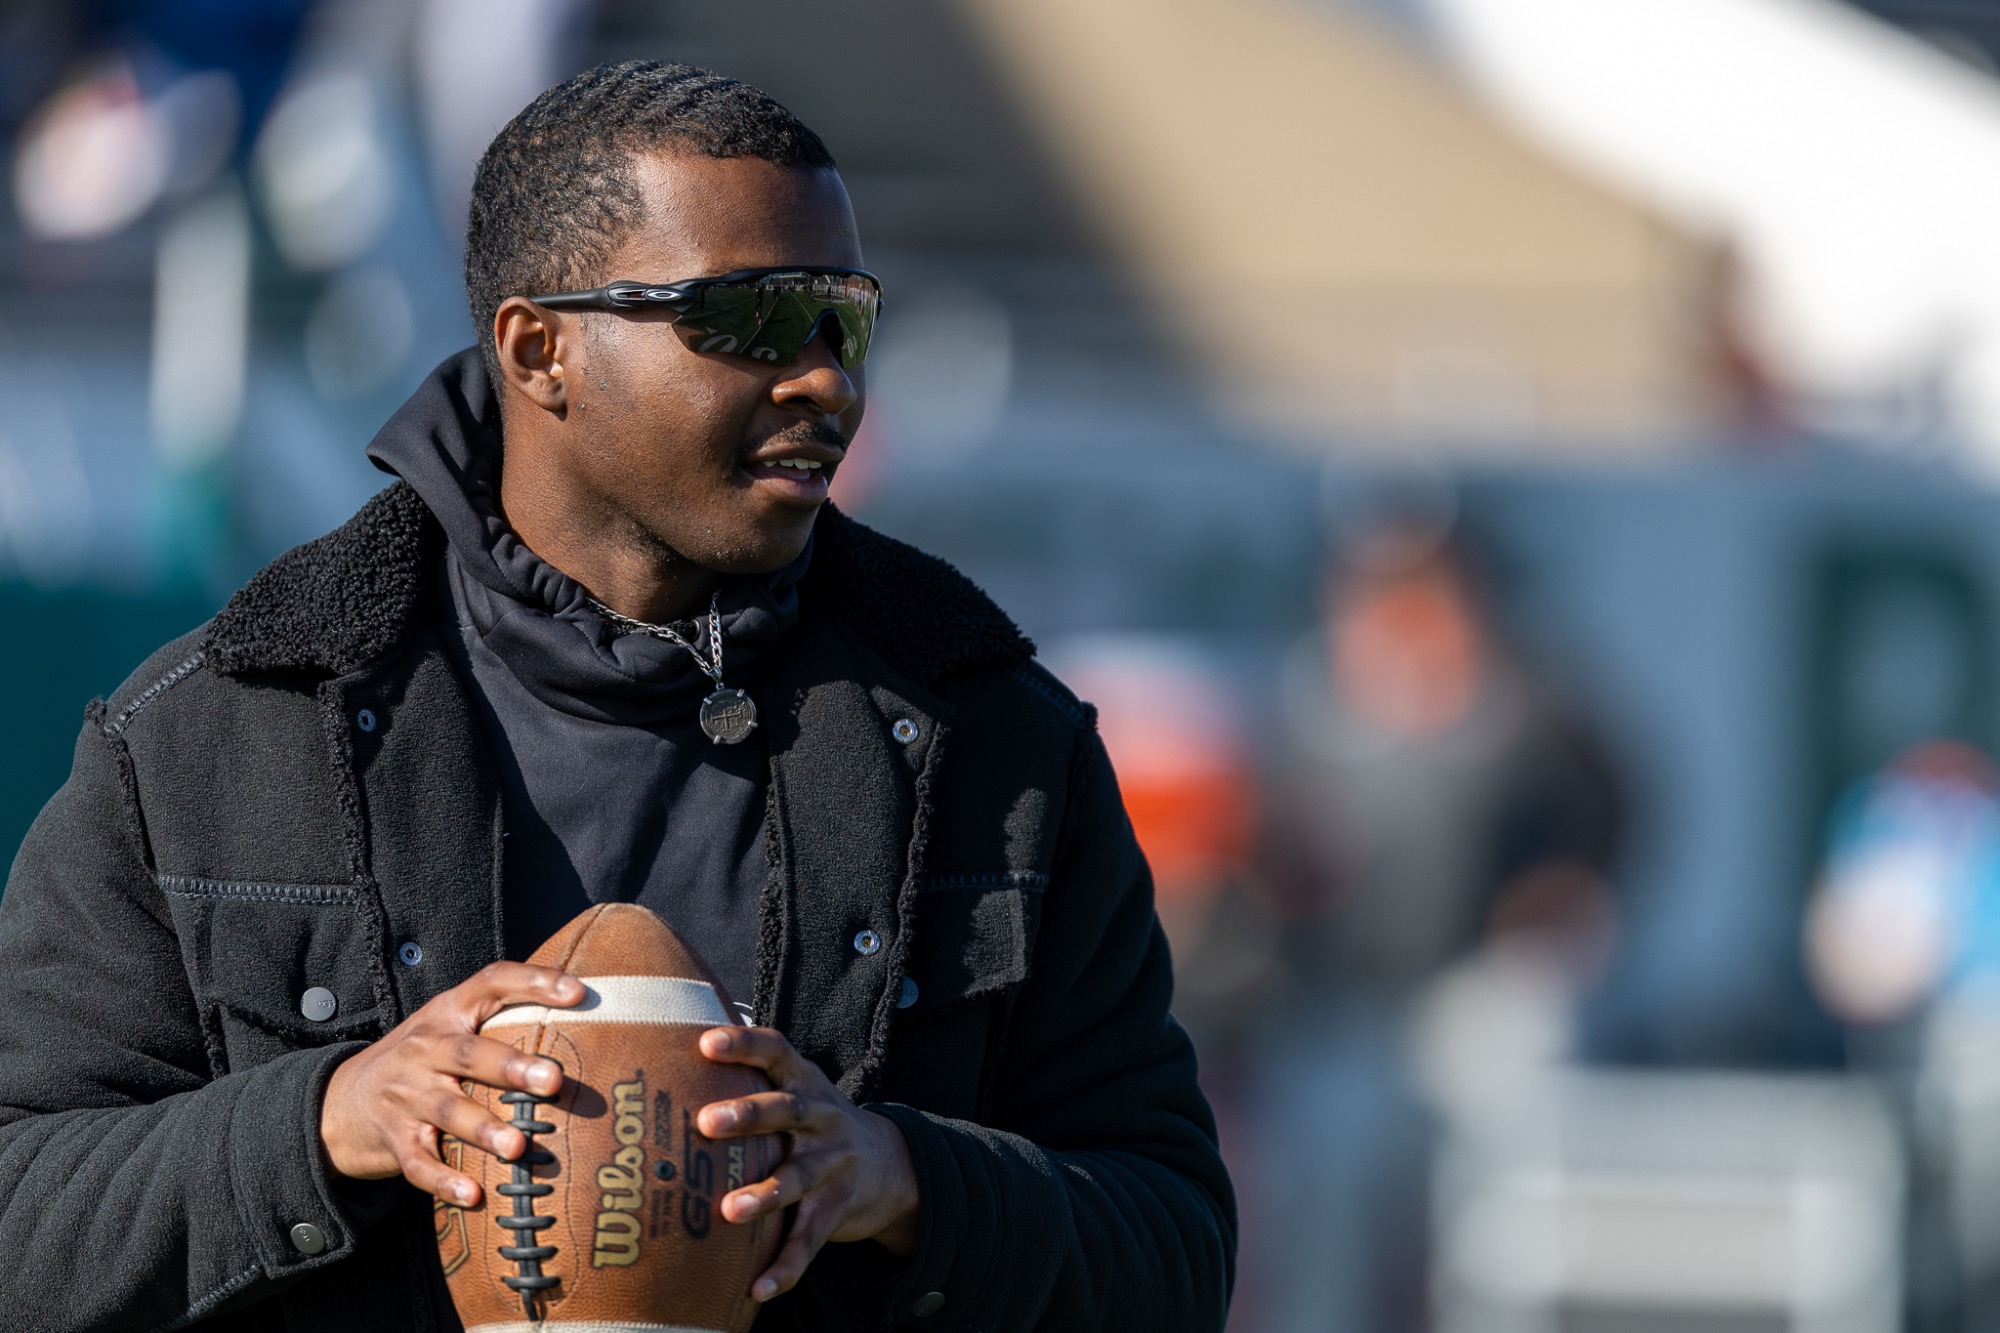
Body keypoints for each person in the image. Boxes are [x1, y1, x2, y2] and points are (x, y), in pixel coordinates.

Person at [0, 63, 1234, 1332]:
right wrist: (322, 1119)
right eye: (750, 322)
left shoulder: (998, 744)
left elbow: (1173, 1245)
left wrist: (909, 1178)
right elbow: (16, 1215)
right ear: (541, 349)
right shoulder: (219, 732)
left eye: (842, 321)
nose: (825, 381)